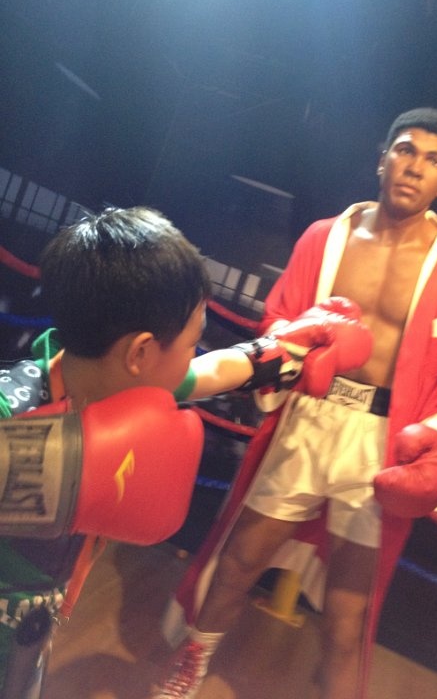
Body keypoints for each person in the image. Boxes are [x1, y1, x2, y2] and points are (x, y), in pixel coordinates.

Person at [153, 108, 437, 699]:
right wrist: (298, 353)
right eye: (406, 150)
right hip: (309, 419)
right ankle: (193, 664)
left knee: (345, 613)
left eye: (433, 161)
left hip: (382, 442)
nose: (415, 167)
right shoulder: (324, 237)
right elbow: (280, 321)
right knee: (238, 563)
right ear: (383, 158)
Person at [0, 206, 370, 698]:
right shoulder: (13, 410)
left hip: (31, 635)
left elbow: (215, 371)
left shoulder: (120, 381)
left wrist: (285, 349)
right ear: (140, 353)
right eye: (191, 344)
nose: (194, 357)